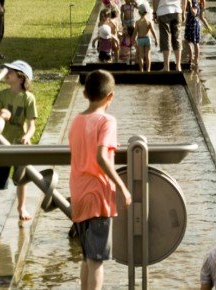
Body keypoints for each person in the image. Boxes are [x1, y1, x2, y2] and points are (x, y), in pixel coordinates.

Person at [69, 70, 132, 290]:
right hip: (98, 196)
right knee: (97, 260)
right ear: (110, 96)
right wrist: (122, 186)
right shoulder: (107, 121)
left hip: (78, 193)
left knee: (87, 257)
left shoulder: (76, 120)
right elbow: (101, 156)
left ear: (85, 93)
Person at [0, 61, 37, 225]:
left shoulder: (28, 98)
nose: (6, 74)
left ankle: (21, 208)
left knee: (21, 179)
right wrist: (1, 114)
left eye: (10, 72)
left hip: (20, 144)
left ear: (21, 77)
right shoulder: (2, 95)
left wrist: (27, 136)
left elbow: (32, 124)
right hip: (1, 143)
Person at [153, 0, 186, 71]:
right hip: (177, 11)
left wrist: (154, 12)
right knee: (177, 38)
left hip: (163, 11)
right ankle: (178, 66)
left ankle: (166, 66)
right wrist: (183, 12)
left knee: (165, 38)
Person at [133, 4, 158, 72]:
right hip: (147, 39)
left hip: (140, 39)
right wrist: (156, 39)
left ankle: (141, 70)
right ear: (146, 12)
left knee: (141, 56)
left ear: (139, 12)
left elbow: (135, 32)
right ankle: (148, 69)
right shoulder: (149, 21)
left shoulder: (137, 22)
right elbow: (153, 31)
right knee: (148, 55)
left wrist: (133, 40)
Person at [183, 0, 203, 69]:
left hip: (193, 23)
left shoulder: (194, 2)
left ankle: (196, 59)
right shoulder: (194, 1)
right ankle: (191, 58)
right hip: (191, 23)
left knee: (195, 42)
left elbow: (194, 13)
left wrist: (191, 5)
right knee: (187, 41)